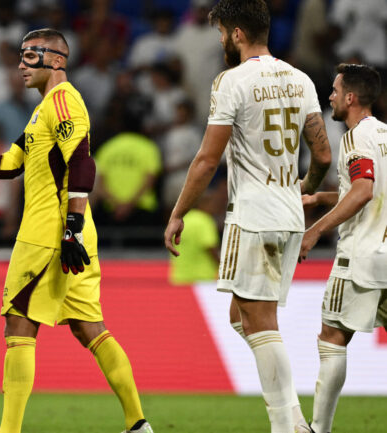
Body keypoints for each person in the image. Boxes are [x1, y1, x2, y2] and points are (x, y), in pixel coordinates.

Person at [0, 28, 152, 433]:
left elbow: (82, 161)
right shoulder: (44, 109)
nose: (21, 64)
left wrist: (71, 228)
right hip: (70, 231)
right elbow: (12, 164)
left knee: (18, 325)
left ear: (57, 60)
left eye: (31, 56)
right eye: (21, 56)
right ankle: (137, 424)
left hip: (49, 232)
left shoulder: (63, 101)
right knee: (89, 327)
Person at [163, 2, 332, 432]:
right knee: (243, 318)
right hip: (289, 213)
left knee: (260, 322)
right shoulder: (301, 79)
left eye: (221, 31)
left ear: (237, 33)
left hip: (253, 213)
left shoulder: (231, 81)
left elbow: (206, 159)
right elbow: (323, 154)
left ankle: (285, 425)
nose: (220, 39)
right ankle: (293, 417)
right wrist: (304, 188)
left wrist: (179, 211)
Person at [298, 64, 387, 433]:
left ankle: (319, 429)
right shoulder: (385, 135)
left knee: (332, 336)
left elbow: (364, 191)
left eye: (335, 91)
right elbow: (371, 188)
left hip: (360, 256)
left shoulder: (354, 138)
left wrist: (314, 231)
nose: (330, 97)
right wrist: (321, 196)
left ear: (351, 98)